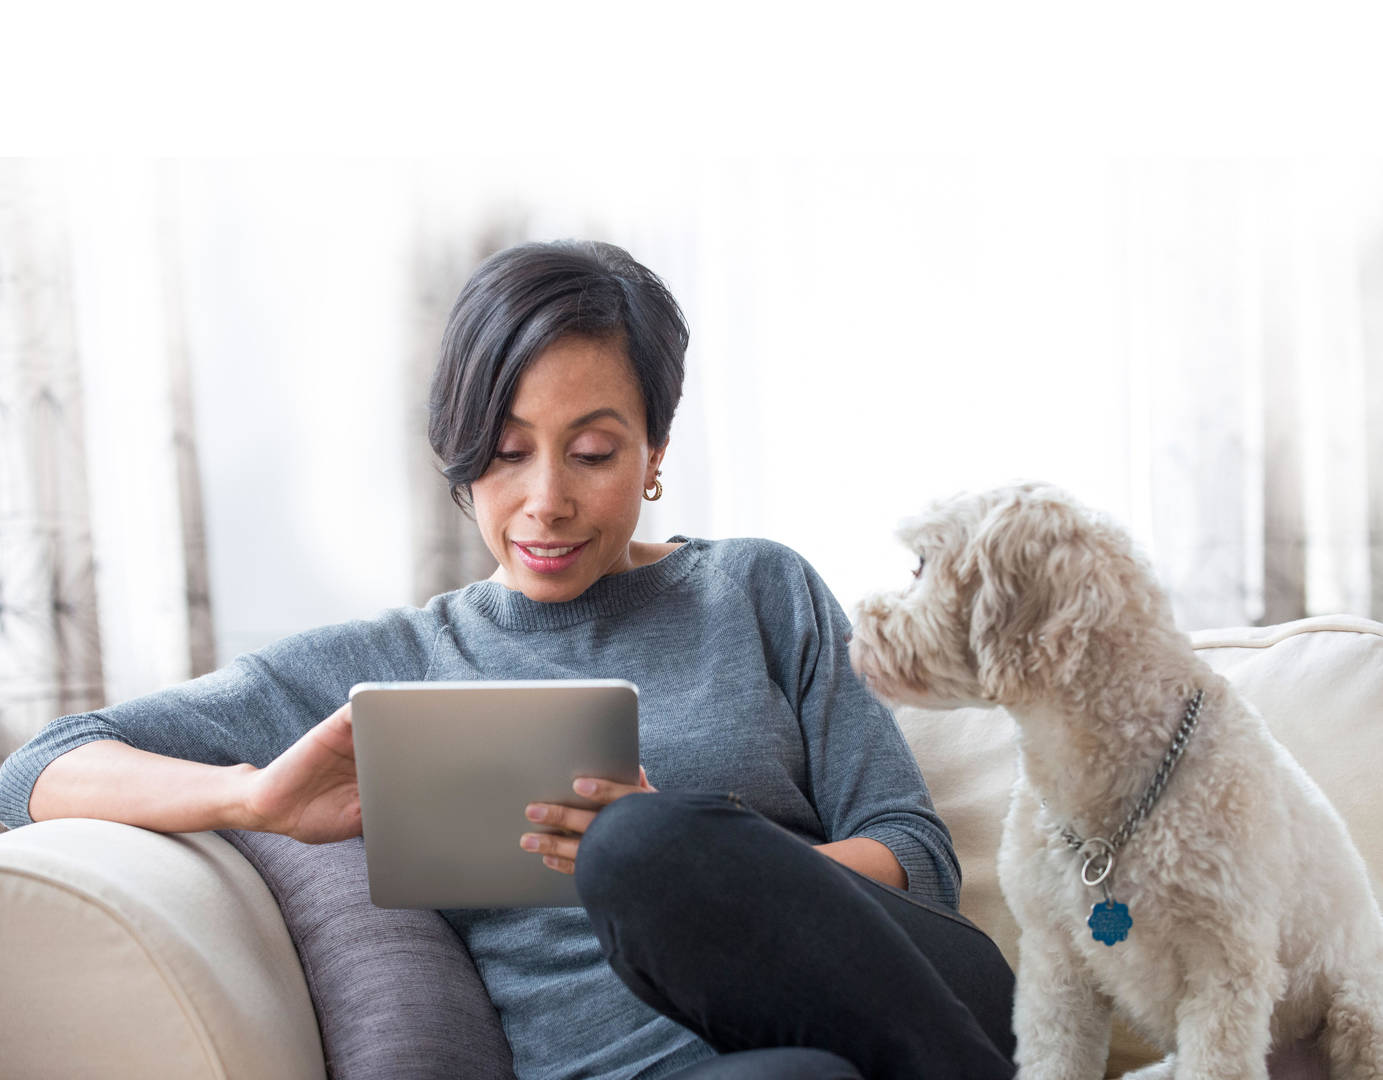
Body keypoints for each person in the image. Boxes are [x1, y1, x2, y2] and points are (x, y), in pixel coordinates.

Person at [0, 240, 1017, 1079]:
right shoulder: (390, 665)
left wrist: (710, 864)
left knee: (643, 850)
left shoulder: (754, 589)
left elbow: (913, 855)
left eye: (592, 450)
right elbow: (36, 772)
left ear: (656, 452)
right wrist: (254, 799)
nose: (544, 501)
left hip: (907, 993)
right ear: (458, 448)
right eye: (506, 447)